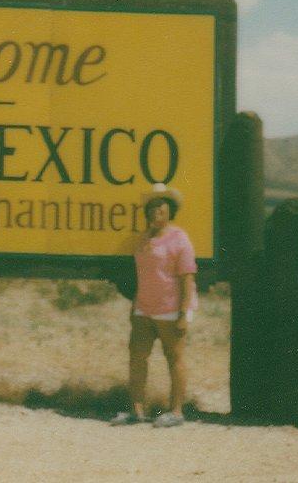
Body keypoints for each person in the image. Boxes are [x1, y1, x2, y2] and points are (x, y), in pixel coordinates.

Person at [111, 183, 198, 428]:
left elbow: (187, 277)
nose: (156, 211)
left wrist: (183, 313)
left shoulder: (180, 239)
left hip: (171, 309)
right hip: (144, 308)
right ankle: (136, 410)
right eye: (152, 207)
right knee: (137, 357)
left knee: (175, 358)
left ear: (170, 210)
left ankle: (177, 412)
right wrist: (135, 305)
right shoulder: (144, 239)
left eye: (161, 206)